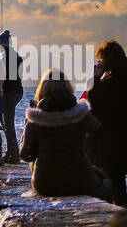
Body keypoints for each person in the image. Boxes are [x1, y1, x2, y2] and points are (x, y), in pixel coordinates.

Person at [19, 70, 114, 202]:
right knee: (108, 184)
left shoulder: (36, 118)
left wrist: (28, 128)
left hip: (45, 183)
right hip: (80, 179)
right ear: (68, 86)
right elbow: (101, 136)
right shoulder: (81, 113)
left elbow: (25, 154)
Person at [80, 40, 127, 208]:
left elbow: (92, 104)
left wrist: (96, 78)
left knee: (109, 185)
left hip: (108, 140)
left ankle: (114, 221)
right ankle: (125, 218)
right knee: (119, 183)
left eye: (101, 60)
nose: (99, 63)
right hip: (126, 138)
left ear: (107, 61)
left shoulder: (108, 82)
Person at [0, 29, 24, 162]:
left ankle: (13, 153)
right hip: (17, 90)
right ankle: (12, 151)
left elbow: (3, 77)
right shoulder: (17, 56)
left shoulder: (3, 57)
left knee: (7, 123)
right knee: (8, 122)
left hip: (8, 92)